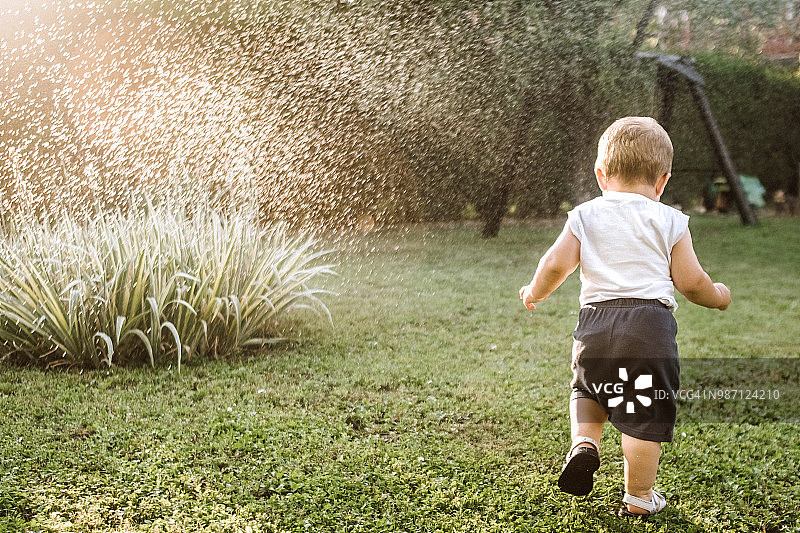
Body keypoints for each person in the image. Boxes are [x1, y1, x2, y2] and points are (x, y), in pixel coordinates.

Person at [519, 116, 731, 518]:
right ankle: (638, 497)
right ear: (662, 181)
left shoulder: (584, 215)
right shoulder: (670, 219)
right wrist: (718, 296)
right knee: (642, 411)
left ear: (601, 174)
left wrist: (534, 292)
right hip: (648, 328)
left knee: (588, 390)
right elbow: (691, 282)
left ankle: (584, 444)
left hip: (595, 325)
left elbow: (554, 266)